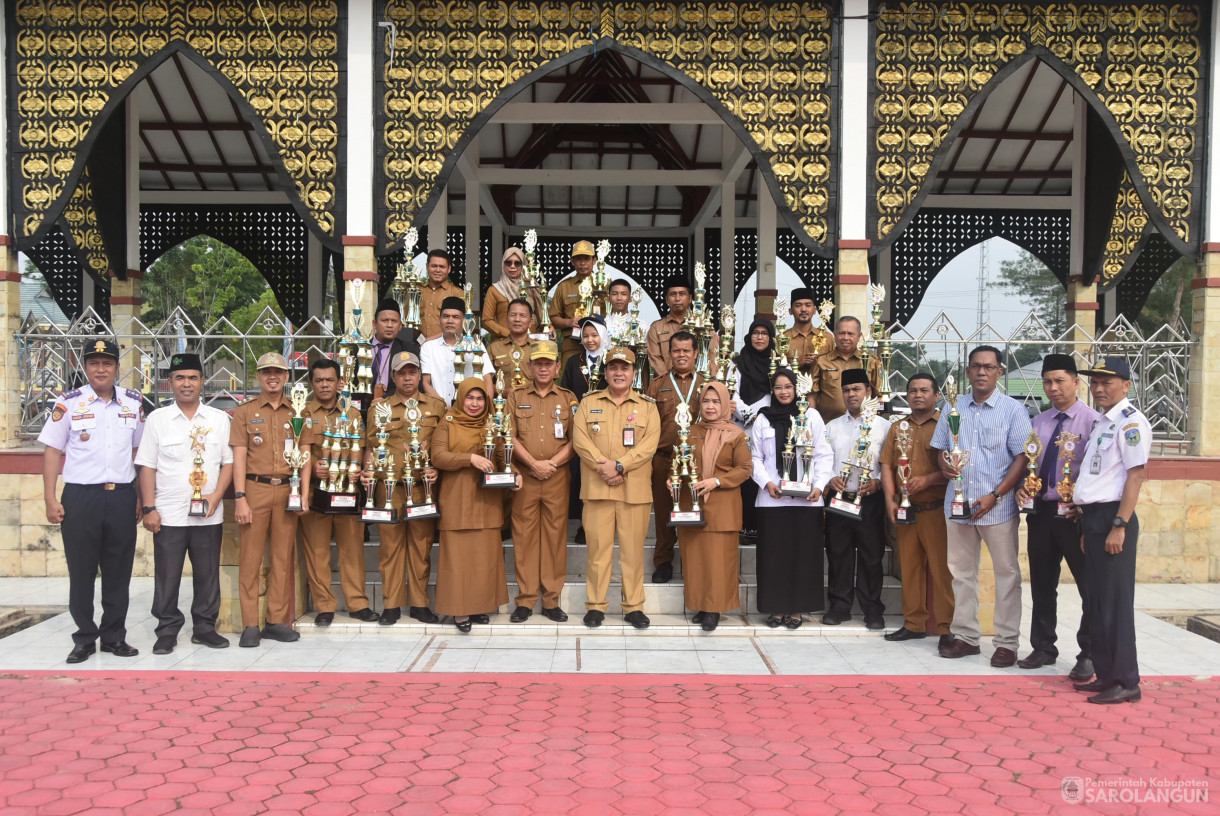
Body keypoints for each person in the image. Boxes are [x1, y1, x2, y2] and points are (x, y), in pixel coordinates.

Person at [39, 339, 146, 664]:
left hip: (122, 496)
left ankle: (114, 636)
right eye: (94, 363)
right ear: (85, 367)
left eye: (107, 363)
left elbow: (139, 453)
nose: (101, 369)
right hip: (81, 497)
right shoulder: (69, 403)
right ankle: (85, 638)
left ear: (117, 367)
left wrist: (141, 497)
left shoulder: (133, 403)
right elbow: (52, 451)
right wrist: (49, 497)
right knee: (82, 571)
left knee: (118, 571)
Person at [932, 345, 1032, 666]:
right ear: (968, 371)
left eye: (989, 367)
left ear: (999, 372)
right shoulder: (952, 406)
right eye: (976, 366)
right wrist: (945, 464)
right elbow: (941, 448)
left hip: (997, 507)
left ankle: (1006, 642)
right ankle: (966, 637)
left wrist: (997, 494)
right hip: (957, 505)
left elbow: (1022, 458)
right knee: (961, 574)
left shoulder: (1013, 410)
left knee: (1006, 573)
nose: (982, 372)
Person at [135, 352, 233, 655]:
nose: (186, 384)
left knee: (208, 574)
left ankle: (204, 627)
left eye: (192, 378)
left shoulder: (218, 420)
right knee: (167, 574)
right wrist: (149, 508)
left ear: (202, 382)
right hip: (168, 514)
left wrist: (216, 496)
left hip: (208, 514)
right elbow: (147, 466)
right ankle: (166, 630)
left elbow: (228, 464)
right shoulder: (157, 420)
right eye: (180, 378)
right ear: (170, 383)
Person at [1071, 357, 1151, 704]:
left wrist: (1119, 525)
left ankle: (1127, 681)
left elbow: (1136, 475)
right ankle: (1106, 674)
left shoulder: (1131, 423)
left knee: (1116, 604)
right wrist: (1090, 527)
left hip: (1113, 518)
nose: (1099, 388)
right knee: (1098, 602)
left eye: (1108, 382)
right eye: (1095, 382)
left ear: (1126, 385)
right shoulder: (1103, 423)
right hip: (1094, 519)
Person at [1014, 354, 1099, 680]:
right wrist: (1023, 489)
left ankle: (1088, 653)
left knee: (1088, 588)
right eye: (1048, 381)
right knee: (1042, 585)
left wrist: (1085, 503)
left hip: (1076, 516)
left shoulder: (1092, 423)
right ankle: (1043, 647)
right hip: (1042, 514)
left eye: (1060, 381)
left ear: (1076, 382)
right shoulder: (1039, 422)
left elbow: (1097, 470)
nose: (1053, 388)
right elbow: (1031, 466)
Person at [572, 346, 660, 629]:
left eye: (625, 368)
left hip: (633, 492)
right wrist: (605, 467)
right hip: (598, 489)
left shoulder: (647, 406)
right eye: (613, 368)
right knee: (598, 552)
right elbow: (580, 440)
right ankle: (596, 605)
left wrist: (620, 465)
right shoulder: (588, 403)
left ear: (634, 373)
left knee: (633, 553)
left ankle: (633, 606)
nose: (618, 373)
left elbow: (649, 446)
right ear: (606, 372)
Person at [361, 352, 447, 625]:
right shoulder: (379, 408)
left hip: (423, 488)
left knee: (421, 549)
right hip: (389, 488)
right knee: (390, 550)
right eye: (401, 373)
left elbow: (446, 443)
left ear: (419, 375)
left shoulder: (436, 405)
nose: (407, 377)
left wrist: (437, 467)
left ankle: (420, 604)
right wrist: (367, 472)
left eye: (412, 372)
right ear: (393, 377)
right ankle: (392, 604)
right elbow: (372, 447)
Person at [230, 352, 308, 648]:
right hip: (255, 488)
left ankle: (276, 620)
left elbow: (307, 454)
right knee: (250, 559)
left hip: (289, 490)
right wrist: (239, 497)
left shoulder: (298, 411)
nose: (272, 376)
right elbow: (238, 457)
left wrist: (305, 495)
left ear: (287, 377)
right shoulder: (245, 412)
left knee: (282, 557)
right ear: (259, 377)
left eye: (278, 372)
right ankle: (251, 623)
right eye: (266, 372)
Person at [750, 369, 834, 628]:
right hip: (772, 501)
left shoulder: (811, 416)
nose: (783, 392)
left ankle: (797, 609)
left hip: (806, 500)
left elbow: (823, 454)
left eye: (788, 386)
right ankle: (775, 609)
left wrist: (819, 486)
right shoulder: (763, 419)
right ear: (772, 391)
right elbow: (754, 457)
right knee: (773, 556)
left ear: (796, 389)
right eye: (778, 388)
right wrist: (767, 483)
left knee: (804, 556)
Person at [431, 378, 516, 632]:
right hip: (457, 500)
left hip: (486, 501)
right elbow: (438, 456)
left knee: (484, 559)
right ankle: (459, 612)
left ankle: (480, 606)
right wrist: (470, 458)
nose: (475, 404)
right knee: (457, 561)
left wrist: (515, 474)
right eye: (470, 398)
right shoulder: (447, 424)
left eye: (480, 399)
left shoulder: (492, 422)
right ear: (461, 398)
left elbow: (502, 455)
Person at [878, 373, 954, 646]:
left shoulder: (946, 425)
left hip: (936, 510)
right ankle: (914, 623)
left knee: (942, 571)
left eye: (924, 390)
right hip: (905, 510)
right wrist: (890, 499)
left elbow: (955, 466)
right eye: (912, 390)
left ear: (936, 396)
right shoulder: (898, 428)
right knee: (910, 569)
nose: (918, 395)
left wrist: (929, 480)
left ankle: (946, 627)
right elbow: (887, 465)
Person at [298, 359, 375, 626]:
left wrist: (360, 471)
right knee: (317, 552)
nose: (324, 385)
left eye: (329, 380)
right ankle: (324, 606)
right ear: (311, 383)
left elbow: (363, 450)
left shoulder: (353, 414)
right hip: (316, 492)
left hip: (347, 493)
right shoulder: (305, 413)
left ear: (339, 381)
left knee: (352, 550)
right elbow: (301, 453)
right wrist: (314, 468)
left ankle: (358, 603)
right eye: (319, 380)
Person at [507, 340, 578, 623]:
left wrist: (551, 464)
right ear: (529, 367)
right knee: (524, 537)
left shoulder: (568, 398)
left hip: (557, 477)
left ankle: (550, 600)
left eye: (549, 363)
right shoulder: (515, 396)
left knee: (554, 538)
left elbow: (576, 440)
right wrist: (533, 464)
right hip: (524, 477)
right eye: (539, 363)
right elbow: (508, 435)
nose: (544, 368)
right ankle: (525, 600)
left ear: (558, 367)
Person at [676, 381, 753, 631]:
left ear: (724, 404)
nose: (710, 406)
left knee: (719, 561)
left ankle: (715, 609)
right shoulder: (690, 431)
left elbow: (744, 469)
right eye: (706, 401)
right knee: (696, 559)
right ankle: (701, 605)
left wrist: (718, 480)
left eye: (716, 401)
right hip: (693, 505)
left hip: (722, 505)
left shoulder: (736, 434)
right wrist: (673, 479)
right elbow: (680, 464)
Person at [822, 368, 892, 629]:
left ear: (869, 392)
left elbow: (889, 463)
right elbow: (823, 459)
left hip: (869, 499)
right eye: (847, 390)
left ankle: (872, 608)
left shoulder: (883, 427)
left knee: (872, 555)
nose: (851, 394)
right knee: (838, 553)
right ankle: (839, 606)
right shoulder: (832, 427)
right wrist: (830, 478)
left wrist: (876, 483)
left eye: (857, 389)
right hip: (839, 498)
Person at [644, 330, 706, 583]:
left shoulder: (706, 383)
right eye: (676, 351)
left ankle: (694, 563)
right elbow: (647, 425)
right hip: (664, 458)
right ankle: (663, 562)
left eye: (686, 351)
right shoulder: (657, 384)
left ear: (695, 353)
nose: (681, 355)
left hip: (696, 460)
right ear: (669, 354)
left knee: (694, 509)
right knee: (663, 512)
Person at [560, 314, 610, 544]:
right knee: (580, 476)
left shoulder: (611, 362)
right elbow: (566, 392)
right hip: (579, 428)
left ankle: (604, 523)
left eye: (594, 335)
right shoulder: (573, 362)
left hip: (606, 428)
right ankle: (581, 523)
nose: (590, 340)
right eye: (586, 335)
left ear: (603, 335)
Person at [732, 318, 777, 541]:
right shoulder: (738, 363)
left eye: (764, 333)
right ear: (749, 336)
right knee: (743, 474)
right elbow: (732, 393)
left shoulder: (777, 363)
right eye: (755, 333)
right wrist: (749, 413)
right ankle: (743, 526)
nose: (759, 337)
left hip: (768, 427)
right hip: (741, 427)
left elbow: (780, 391)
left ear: (771, 338)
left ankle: (761, 526)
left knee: (763, 473)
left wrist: (762, 413)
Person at [420, 295, 495, 406]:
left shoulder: (476, 344)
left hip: (471, 411)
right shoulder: (429, 347)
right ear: (439, 319)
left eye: (455, 317)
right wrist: (444, 408)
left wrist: (484, 407)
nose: (450, 321)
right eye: (446, 316)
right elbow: (426, 383)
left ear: (464, 320)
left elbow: (487, 380)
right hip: (439, 411)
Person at [810, 316, 884, 422]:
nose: (845, 337)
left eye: (850, 334)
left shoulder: (871, 361)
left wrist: (872, 420)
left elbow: (880, 395)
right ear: (835, 335)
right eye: (841, 333)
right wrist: (813, 421)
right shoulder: (821, 361)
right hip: (828, 424)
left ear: (859, 336)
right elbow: (812, 395)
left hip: (863, 425)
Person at [549, 240, 597, 366]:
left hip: (599, 344)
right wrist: (569, 322)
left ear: (595, 260)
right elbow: (553, 316)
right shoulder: (563, 287)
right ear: (572, 261)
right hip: (572, 344)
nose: (582, 263)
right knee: (569, 383)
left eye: (586, 258)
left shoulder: (604, 285)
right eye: (578, 259)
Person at [483, 246, 544, 339]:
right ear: (503, 264)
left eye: (517, 263)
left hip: (531, 342)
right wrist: (508, 334)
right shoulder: (495, 290)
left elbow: (542, 316)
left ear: (524, 264)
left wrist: (549, 327)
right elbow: (486, 321)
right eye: (508, 262)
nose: (512, 266)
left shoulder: (532, 288)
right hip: (504, 343)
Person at [369, 299, 418, 398]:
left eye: (394, 321)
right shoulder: (360, 349)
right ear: (374, 324)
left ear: (400, 326)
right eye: (385, 320)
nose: (389, 325)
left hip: (396, 406)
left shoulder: (408, 350)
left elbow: (415, 384)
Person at [646, 275, 693, 378]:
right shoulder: (656, 328)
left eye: (682, 294)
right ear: (667, 299)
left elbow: (712, 357)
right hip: (666, 385)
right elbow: (655, 358)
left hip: (696, 385)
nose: (677, 298)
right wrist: (670, 381)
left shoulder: (702, 327)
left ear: (690, 298)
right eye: (673, 294)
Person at [488, 298, 536, 390]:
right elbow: (485, 382)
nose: (517, 319)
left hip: (535, 403)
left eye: (522, 315)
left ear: (530, 322)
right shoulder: (494, 348)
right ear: (507, 319)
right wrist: (503, 391)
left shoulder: (539, 347)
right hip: (503, 402)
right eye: (513, 315)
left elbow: (549, 381)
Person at [785, 287, 834, 376]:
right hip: (792, 388)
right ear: (790, 311)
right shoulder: (782, 339)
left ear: (815, 310)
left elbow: (834, 367)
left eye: (808, 305)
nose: (803, 309)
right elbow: (777, 370)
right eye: (798, 305)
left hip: (822, 389)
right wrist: (796, 364)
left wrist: (819, 363)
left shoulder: (827, 338)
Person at [417, 249, 464, 341]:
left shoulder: (457, 293)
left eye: (442, 267)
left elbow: (462, 325)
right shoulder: (416, 291)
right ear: (427, 267)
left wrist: (430, 340)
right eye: (434, 266)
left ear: (449, 269)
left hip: (444, 346)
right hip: (417, 345)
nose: (438, 270)